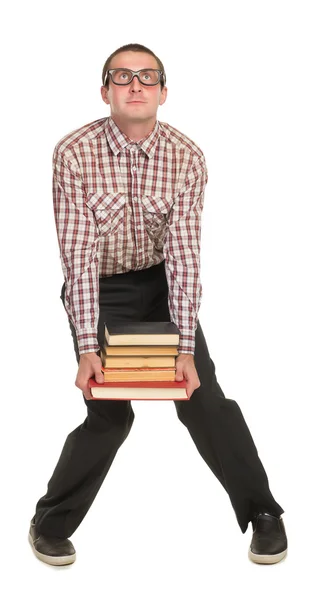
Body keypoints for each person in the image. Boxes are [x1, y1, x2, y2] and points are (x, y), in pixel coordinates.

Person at [29, 43, 288, 567]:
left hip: (162, 284)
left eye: (148, 76)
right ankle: (49, 522)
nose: (135, 84)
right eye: (121, 76)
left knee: (203, 400)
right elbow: (77, 255)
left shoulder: (187, 156)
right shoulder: (73, 152)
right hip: (99, 290)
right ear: (105, 91)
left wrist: (185, 345)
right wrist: (86, 346)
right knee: (110, 415)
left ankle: (263, 513)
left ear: (164, 92)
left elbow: (185, 254)